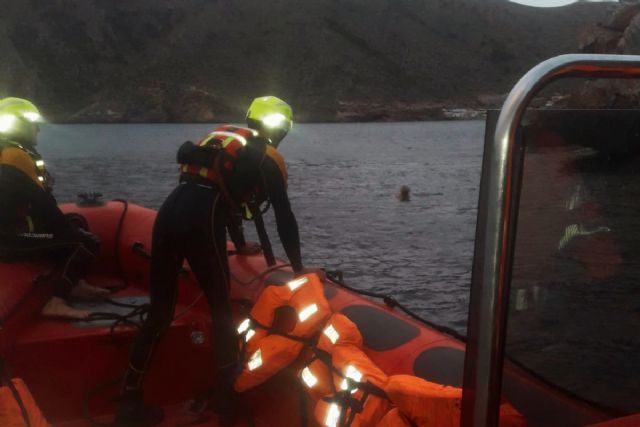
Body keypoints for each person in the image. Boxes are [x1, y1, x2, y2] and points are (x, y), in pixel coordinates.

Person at [115, 96, 317, 426]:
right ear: (280, 130)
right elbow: (283, 217)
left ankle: (128, 401)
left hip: (169, 213)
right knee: (222, 311)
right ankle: (227, 401)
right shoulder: (268, 157)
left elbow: (219, 191)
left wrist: (239, 244)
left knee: (159, 312)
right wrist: (298, 269)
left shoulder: (222, 139)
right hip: (202, 219)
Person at [0, 97, 107, 320]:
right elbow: (42, 203)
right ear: (19, 125)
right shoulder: (16, 156)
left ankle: (76, 284)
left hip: (12, 232)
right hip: (12, 238)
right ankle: (56, 301)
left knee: (77, 222)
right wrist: (66, 231)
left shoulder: (9, 152)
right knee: (84, 242)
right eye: (32, 125)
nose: (38, 130)